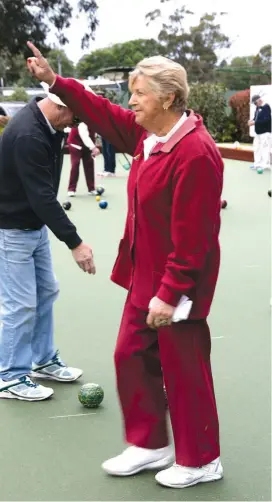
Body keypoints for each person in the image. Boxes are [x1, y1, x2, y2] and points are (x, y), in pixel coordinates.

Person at [27, 41, 224, 488]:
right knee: (130, 355)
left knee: (184, 369)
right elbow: (99, 110)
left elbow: (194, 240)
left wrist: (171, 292)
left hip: (179, 282)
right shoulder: (147, 135)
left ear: (169, 97)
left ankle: (203, 459)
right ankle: (151, 444)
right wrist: (56, 81)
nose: (130, 100)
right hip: (144, 276)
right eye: (131, 91)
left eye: (139, 92)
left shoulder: (194, 152)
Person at [0, 82, 96, 402]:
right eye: (76, 118)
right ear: (59, 106)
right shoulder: (29, 134)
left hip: (33, 225)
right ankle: (10, 376)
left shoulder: (49, 125)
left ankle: (42, 359)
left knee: (46, 291)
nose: (76, 125)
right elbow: (42, 196)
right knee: (20, 303)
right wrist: (75, 242)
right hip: (11, 229)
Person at [67, 122, 100, 196]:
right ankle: (71, 189)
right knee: (75, 164)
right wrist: (93, 148)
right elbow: (84, 135)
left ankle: (91, 189)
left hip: (86, 147)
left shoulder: (94, 120)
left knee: (89, 164)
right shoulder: (83, 121)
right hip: (75, 144)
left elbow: (94, 134)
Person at [248, 94, 271, 171]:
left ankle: (265, 165)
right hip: (258, 133)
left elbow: (267, 120)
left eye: (255, 103)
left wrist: (255, 123)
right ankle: (257, 163)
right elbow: (256, 118)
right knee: (256, 147)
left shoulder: (266, 107)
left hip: (265, 132)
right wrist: (252, 121)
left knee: (264, 148)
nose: (254, 104)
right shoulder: (257, 108)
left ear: (259, 100)